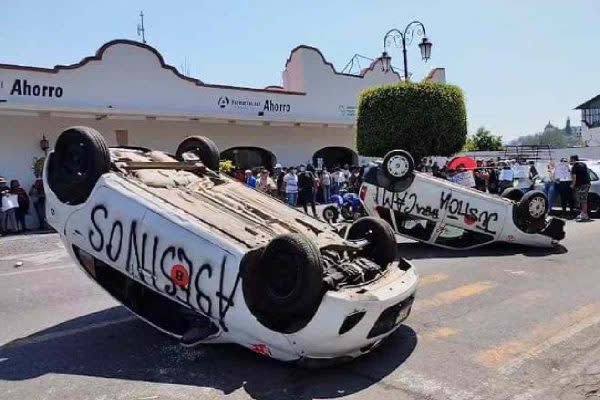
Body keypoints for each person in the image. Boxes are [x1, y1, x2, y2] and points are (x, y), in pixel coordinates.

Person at [570, 155, 591, 222]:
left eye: (570, 160)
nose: (570, 161)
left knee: (582, 200)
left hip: (582, 185)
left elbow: (574, 177)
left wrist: (572, 185)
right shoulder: (583, 164)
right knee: (583, 199)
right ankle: (583, 213)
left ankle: (585, 215)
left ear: (573, 159)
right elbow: (587, 172)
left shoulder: (574, 167)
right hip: (587, 183)